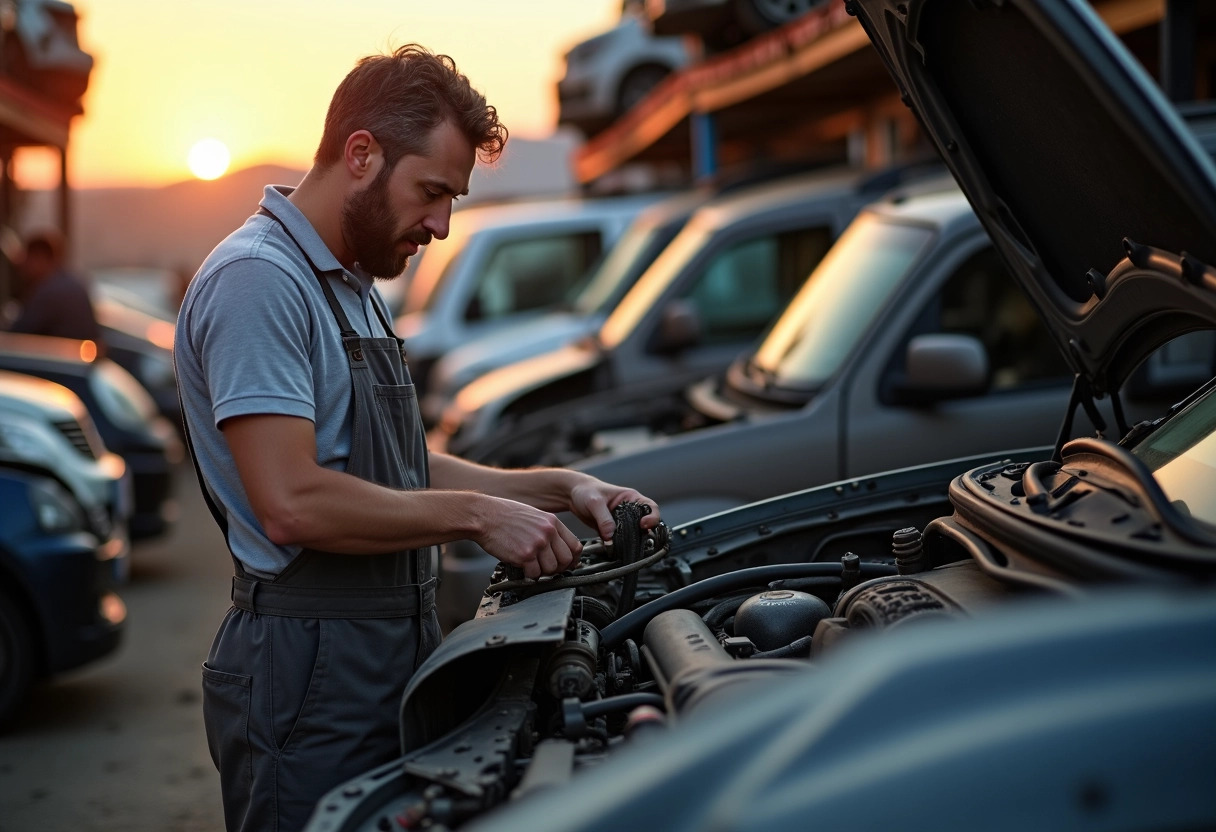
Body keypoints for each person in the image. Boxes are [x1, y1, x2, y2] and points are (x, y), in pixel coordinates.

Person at [173, 44, 661, 832]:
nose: (439, 224)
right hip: (307, 666)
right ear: (360, 153)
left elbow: (399, 468)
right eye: (431, 191)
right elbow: (292, 501)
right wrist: (475, 516)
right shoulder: (260, 281)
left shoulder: (353, 286)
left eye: (452, 199)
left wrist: (561, 488)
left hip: (385, 649)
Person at [7, 230, 101, 343]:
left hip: (65, 356)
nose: (23, 266)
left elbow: (18, 332)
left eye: (28, 259)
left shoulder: (50, 291)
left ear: (40, 258)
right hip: (80, 353)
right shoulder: (70, 280)